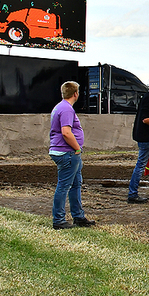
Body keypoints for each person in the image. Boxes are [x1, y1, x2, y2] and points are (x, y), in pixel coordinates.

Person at [49, 81, 95, 230]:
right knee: (64, 186)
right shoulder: (67, 110)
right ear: (76, 94)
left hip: (63, 151)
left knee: (75, 184)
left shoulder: (59, 107)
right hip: (67, 152)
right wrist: (77, 148)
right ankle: (59, 220)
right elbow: (66, 132)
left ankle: (78, 216)